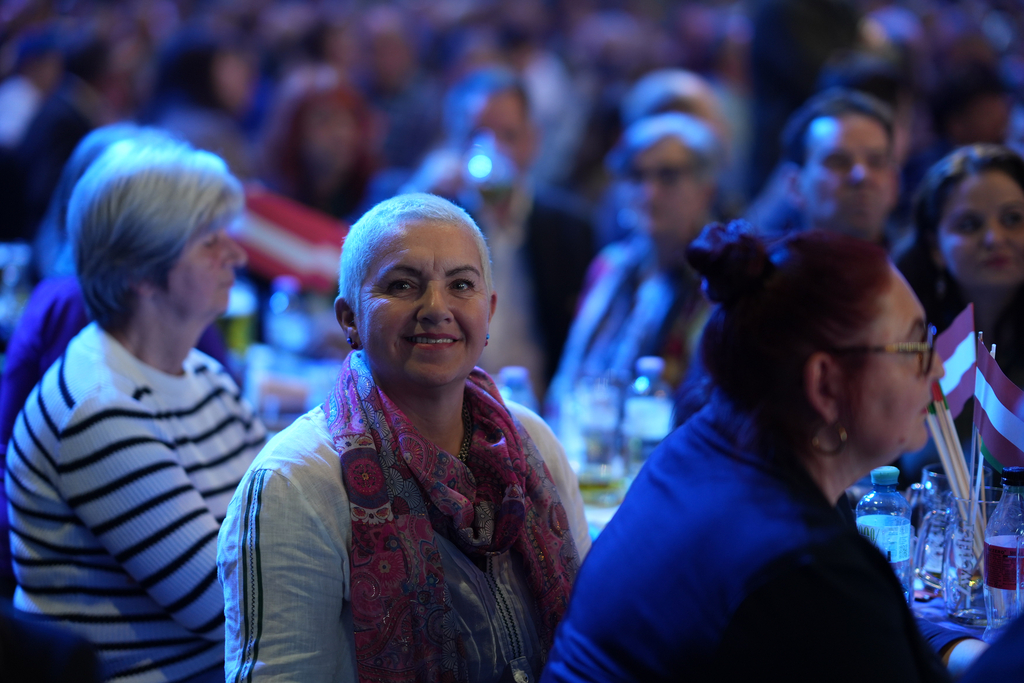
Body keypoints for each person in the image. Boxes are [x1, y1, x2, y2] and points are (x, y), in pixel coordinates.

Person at [542, 221, 951, 681]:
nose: (937, 367)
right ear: (825, 383)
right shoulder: (801, 565)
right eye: (916, 346)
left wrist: (954, 647)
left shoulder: (700, 451)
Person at [218, 193, 589, 682]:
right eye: (402, 285)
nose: (436, 308)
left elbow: (591, 634)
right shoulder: (296, 484)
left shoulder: (531, 440)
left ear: (490, 310)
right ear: (349, 318)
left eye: (461, 284)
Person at [5, 137, 266, 683]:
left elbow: (284, 509)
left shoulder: (200, 373)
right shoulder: (99, 406)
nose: (237, 256)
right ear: (141, 274)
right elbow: (226, 605)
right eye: (210, 242)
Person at [547, 112, 720, 411]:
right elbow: (569, 376)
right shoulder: (610, 266)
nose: (649, 192)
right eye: (637, 176)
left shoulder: (719, 281)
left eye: (668, 176)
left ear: (706, 191)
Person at [899, 144, 1024, 387]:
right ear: (935, 247)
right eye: (969, 225)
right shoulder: (904, 342)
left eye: (1012, 219)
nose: (995, 239)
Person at [751, 87, 899, 246]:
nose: (861, 175)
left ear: (893, 182)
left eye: (876, 162)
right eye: (839, 162)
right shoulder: (761, 261)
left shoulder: (911, 262)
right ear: (794, 185)